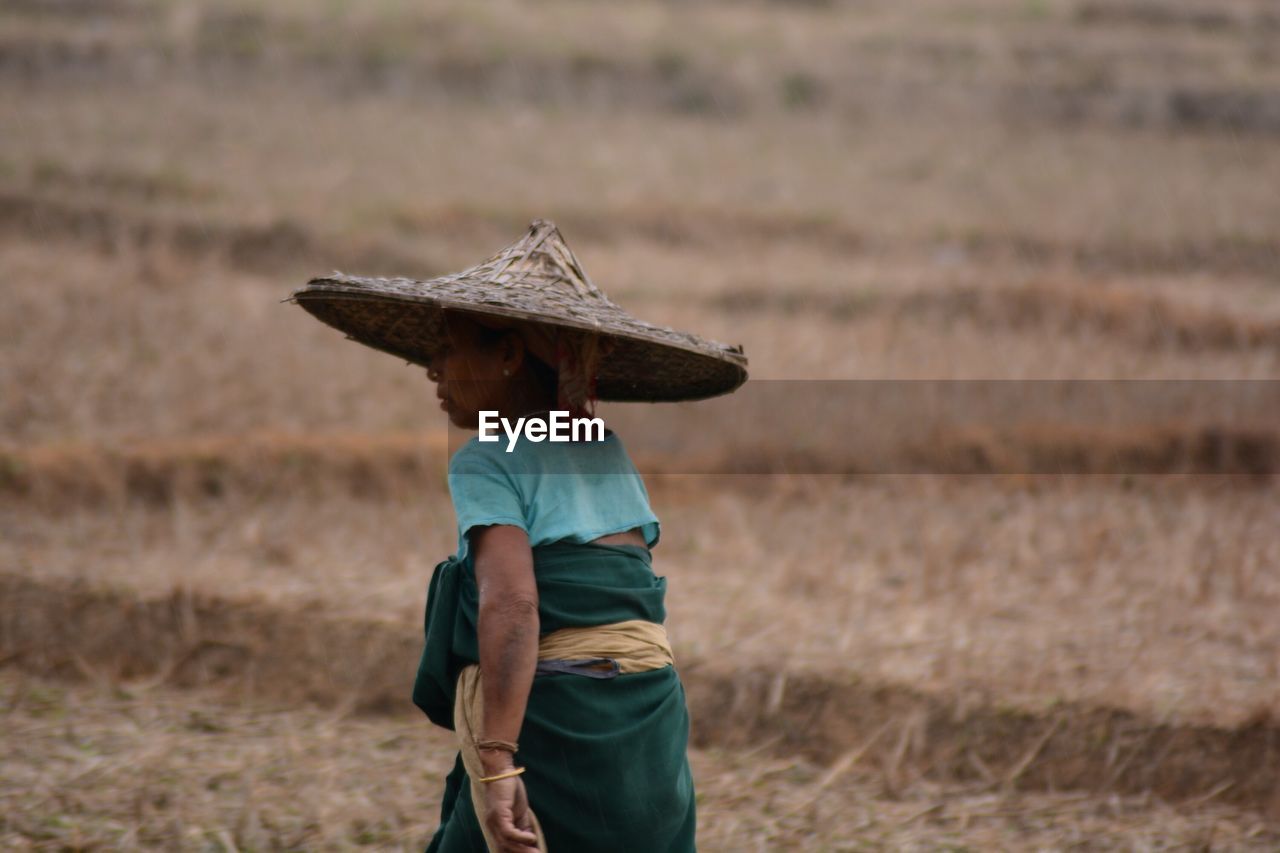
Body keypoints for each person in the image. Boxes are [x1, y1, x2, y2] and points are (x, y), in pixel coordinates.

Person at [289, 220, 747, 852]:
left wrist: (500, 760)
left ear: (507, 356)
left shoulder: (486, 458)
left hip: (561, 729)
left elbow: (512, 605)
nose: (432, 370)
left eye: (448, 349)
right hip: (646, 727)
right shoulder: (601, 445)